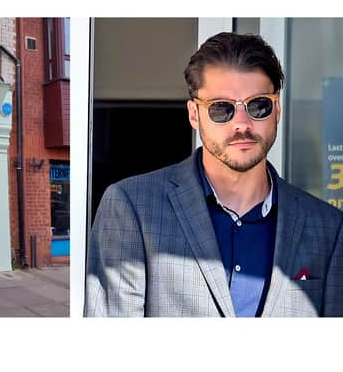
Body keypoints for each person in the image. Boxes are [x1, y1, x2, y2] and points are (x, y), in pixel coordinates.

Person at [85, 32, 343, 317]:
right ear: (194, 115)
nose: (242, 124)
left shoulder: (327, 227)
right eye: (222, 109)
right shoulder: (132, 208)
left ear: (277, 110)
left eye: (259, 105)